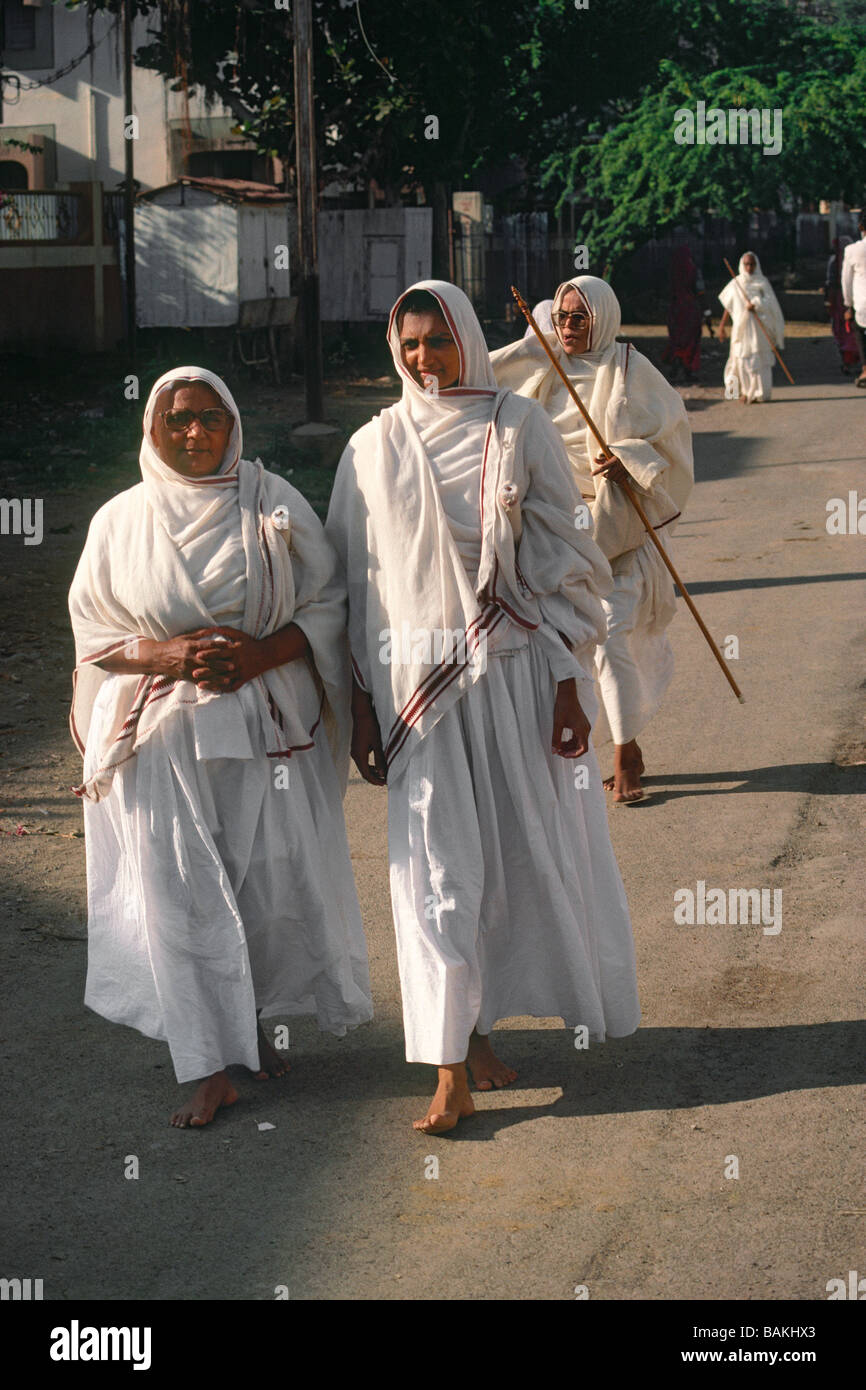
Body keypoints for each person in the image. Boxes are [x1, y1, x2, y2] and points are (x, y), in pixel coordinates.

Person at [326, 281, 640, 1135]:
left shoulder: (518, 424)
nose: (424, 358)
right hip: (416, 697)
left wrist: (572, 686)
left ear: (466, 336)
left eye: (438, 340)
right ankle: (448, 1066)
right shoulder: (371, 446)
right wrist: (359, 707)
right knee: (434, 872)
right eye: (411, 343)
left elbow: (563, 553)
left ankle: (480, 1026)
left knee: (510, 861)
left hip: (516, 679)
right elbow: (355, 584)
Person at [69, 367, 372, 1128]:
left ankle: (254, 1028)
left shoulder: (273, 505)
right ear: (153, 430)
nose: (195, 434)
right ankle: (206, 1065)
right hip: (164, 741)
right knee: (181, 893)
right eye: (178, 421)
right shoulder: (120, 521)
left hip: (262, 729)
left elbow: (329, 603)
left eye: (210, 418)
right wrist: (166, 658)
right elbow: (95, 640)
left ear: (233, 424)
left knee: (265, 887)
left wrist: (261, 657)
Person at [491, 275, 694, 804]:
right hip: (557, 526)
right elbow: (487, 391)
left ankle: (627, 748)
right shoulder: (542, 370)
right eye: (560, 317)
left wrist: (628, 460)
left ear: (602, 317)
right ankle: (582, 745)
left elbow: (671, 438)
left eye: (580, 317)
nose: (568, 327)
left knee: (611, 635)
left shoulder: (630, 369)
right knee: (562, 639)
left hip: (618, 522)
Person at [717, 251, 785, 403]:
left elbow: (771, 303)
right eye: (746, 264)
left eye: (752, 264)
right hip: (741, 329)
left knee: (760, 360)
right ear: (742, 265)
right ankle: (744, 392)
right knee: (741, 359)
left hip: (759, 329)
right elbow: (729, 307)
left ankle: (760, 393)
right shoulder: (736, 283)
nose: (749, 267)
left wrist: (756, 304)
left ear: (756, 265)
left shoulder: (762, 283)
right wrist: (722, 326)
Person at [662, 245, 704, 383]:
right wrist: (706, 310)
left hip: (675, 310)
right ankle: (688, 369)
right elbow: (700, 290)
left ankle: (676, 364)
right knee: (691, 341)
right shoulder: (693, 270)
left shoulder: (671, 271)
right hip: (690, 309)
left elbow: (666, 290)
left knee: (677, 339)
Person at [824, 235, 860, 375]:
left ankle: (850, 362)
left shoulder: (836, 261)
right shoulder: (841, 260)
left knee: (845, 330)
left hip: (841, 299)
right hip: (849, 298)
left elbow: (830, 283)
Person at [841, 208, 866, 388]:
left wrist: (848, 305)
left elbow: (846, 281)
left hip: (862, 303)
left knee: (860, 334)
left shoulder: (852, 250)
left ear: (860, 227)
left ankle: (865, 369)